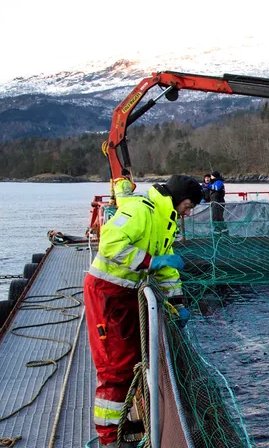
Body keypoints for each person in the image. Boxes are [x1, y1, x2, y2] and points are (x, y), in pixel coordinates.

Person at [84, 175, 202, 448]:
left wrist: (179, 305)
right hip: (106, 294)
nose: (189, 211)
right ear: (180, 199)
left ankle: (120, 428)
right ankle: (109, 440)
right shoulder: (141, 210)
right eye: (189, 205)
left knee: (131, 359)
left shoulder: (165, 223)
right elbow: (110, 244)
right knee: (115, 368)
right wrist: (151, 261)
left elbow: (167, 270)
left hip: (126, 296)